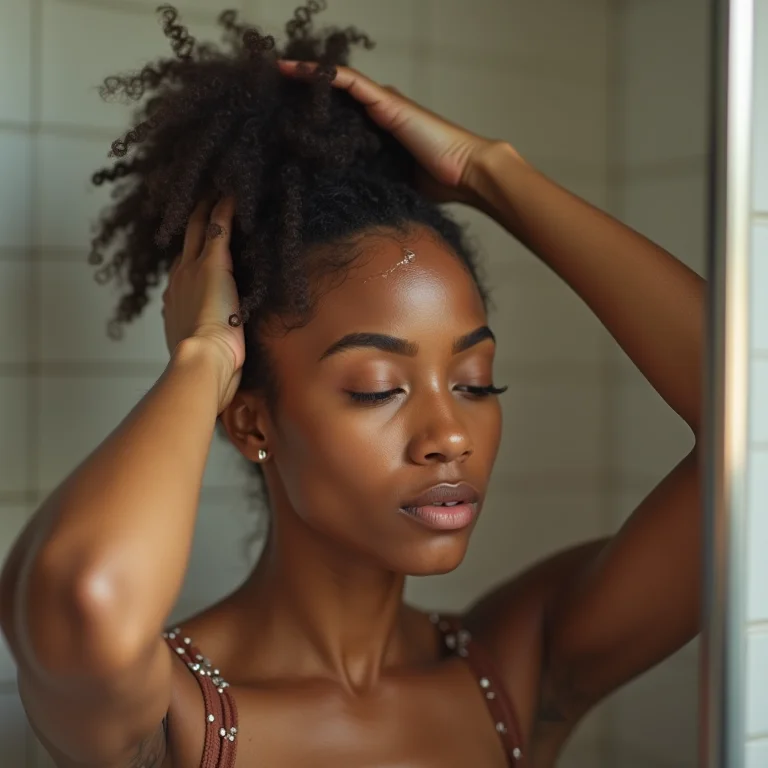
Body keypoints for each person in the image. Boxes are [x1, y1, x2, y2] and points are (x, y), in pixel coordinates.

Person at [0, 4, 704, 767]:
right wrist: (203, 357)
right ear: (251, 424)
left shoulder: (520, 670)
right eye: (378, 388)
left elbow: (748, 417)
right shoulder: (167, 721)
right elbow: (85, 595)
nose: (451, 436)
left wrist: (489, 172)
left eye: (474, 382)